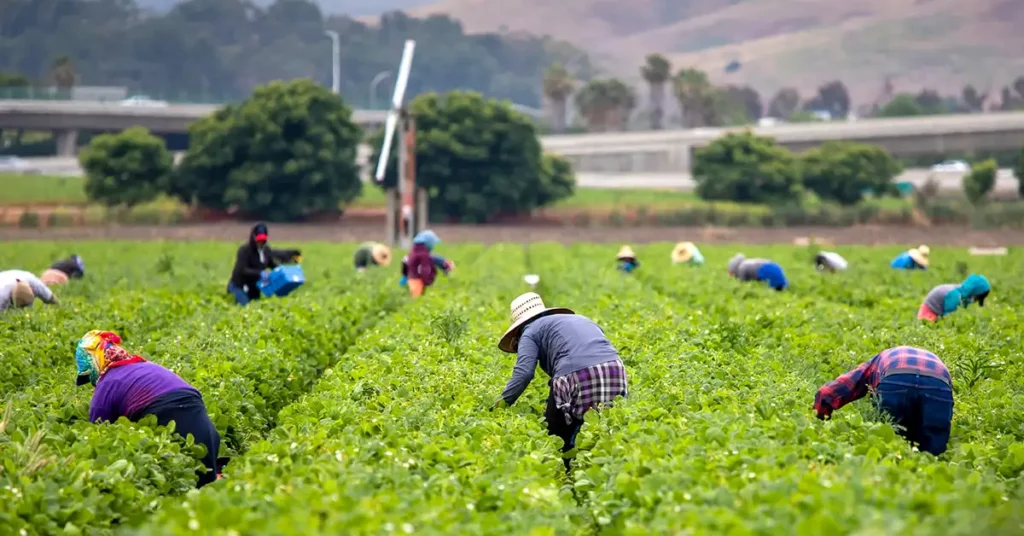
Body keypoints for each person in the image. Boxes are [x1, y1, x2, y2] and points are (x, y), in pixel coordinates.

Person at [495, 292, 628, 472]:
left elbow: (524, 373)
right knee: (606, 423)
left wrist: (502, 403)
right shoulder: (578, 319)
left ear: (518, 328)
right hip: (615, 368)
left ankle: (567, 470)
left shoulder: (529, 331)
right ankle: (608, 468)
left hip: (576, 373)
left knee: (555, 431)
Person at [75, 330, 221, 487]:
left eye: (88, 375)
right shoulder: (142, 364)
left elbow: (98, 435)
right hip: (195, 407)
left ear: (94, 361)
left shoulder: (106, 385)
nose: (91, 382)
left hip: (165, 410)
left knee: (182, 487)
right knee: (207, 480)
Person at [814, 346, 953, 456]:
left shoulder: (877, 361)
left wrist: (819, 417)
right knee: (934, 451)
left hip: (896, 378)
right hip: (939, 383)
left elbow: (844, 386)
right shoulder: (936, 361)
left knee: (889, 440)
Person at [226, 223, 301, 306]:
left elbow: (271, 264)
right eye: (258, 240)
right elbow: (242, 270)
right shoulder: (244, 250)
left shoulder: (266, 250)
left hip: (254, 287)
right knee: (245, 306)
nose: (260, 242)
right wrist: (260, 273)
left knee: (255, 307)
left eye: (263, 240)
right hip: (239, 286)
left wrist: (283, 271)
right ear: (253, 238)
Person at [401, 230, 453, 298]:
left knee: (414, 298)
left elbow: (405, 261)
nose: (432, 246)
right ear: (427, 244)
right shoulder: (424, 255)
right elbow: (425, 269)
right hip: (418, 280)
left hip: (412, 278)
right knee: (417, 299)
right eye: (432, 244)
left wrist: (405, 276)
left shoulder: (414, 252)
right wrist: (427, 281)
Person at [918, 274, 991, 322]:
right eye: (977, 297)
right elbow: (948, 317)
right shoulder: (954, 295)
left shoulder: (960, 290)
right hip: (928, 316)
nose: (975, 300)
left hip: (934, 313)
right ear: (975, 292)